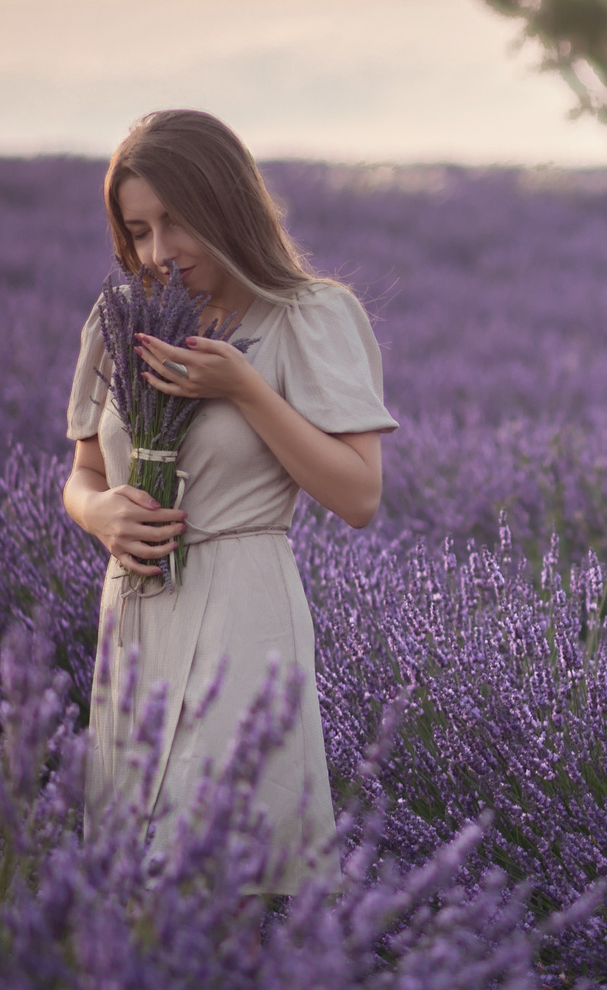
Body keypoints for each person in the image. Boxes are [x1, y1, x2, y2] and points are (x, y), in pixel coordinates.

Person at [61, 110, 395, 890]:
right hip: (135, 614)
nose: (158, 251)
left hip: (240, 609)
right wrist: (100, 514)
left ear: (227, 204)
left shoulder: (309, 316)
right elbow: (82, 475)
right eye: (138, 231)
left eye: (176, 222)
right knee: (132, 886)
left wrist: (244, 387)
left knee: (218, 874)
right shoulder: (120, 320)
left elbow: (359, 494)